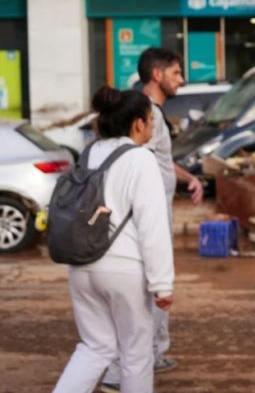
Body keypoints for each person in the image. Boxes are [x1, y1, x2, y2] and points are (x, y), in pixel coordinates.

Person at [53, 86, 175, 393]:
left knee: (95, 347)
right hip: (124, 271)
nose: (154, 125)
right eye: (150, 119)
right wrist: (162, 283)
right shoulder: (141, 159)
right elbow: (153, 226)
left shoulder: (88, 153)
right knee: (136, 353)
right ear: (137, 123)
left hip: (81, 265)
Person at [101, 47, 202, 393]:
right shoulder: (145, 115)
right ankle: (123, 371)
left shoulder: (151, 114)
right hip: (145, 218)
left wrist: (188, 177)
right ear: (157, 75)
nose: (182, 79)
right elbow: (140, 165)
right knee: (145, 299)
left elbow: (159, 160)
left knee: (143, 303)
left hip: (151, 214)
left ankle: (147, 357)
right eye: (176, 72)